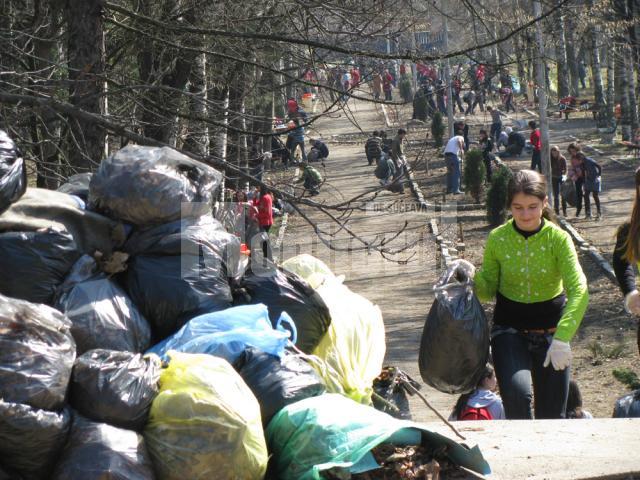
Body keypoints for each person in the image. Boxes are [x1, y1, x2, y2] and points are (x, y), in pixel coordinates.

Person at [452, 170, 589, 419]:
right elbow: (487, 291)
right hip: (510, 330)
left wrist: (563, 336)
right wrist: (471, 274)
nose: (525, 215)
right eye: (518, 207)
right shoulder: (498, 238)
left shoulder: (559, 239)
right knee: (517, 394)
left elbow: (579, 289)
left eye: (532, 207)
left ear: (545, 203)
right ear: (509, 207)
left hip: (551, 334)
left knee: (552, 414)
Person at [579, 152, 602, 220]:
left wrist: (599, 175)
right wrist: (583, 183)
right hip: (588, 180)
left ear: (583, 157)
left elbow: (599, 166)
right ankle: (588, 214)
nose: (579, 160)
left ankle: (599, 213)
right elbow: (583, 173)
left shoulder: (589, 160)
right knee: (586, 195)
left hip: (595, 179)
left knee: (595, 195)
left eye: (580, 158)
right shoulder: (581, 164)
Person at [444, 130, 465, 195]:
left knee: (450, 172)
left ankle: (449, 189)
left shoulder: (452, 139)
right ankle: (456, 190)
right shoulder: (460, 137)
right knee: (456, 172)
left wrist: (458, 158)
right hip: (452, 156)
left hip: (446, 156)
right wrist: (461, 149)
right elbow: (459, 140)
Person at [567, 143, 585, 218]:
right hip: (577, 178)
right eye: (571, 151)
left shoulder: (582, 156)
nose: (573, 153)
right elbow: (572, 167)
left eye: (574, 151)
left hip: (585, 176)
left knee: (586, 193)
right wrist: (572, 174)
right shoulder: (572, 157)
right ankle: (579, 209)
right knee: (578, 193)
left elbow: (585, 166)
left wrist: (579, 171)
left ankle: (588, 211)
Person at [550, 146, 568, 216]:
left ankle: (564, 211)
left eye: (555, 153)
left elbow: (566, 169)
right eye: (553, 153)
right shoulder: (550, 159)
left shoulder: (562, 159)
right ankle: (557, 211)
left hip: (561, 177)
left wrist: (564, 176)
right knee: (556, 195)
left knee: (563, 195)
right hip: (554, 178)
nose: (554, 154)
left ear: (558, 152)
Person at [256, 185, 273, 258]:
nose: (257, 188)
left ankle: (268, 258)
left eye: (258, 187)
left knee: (264, 242)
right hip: (265, 221)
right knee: (263, 241)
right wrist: (254, 196)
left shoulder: (265, 198)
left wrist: (257, 216)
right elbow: (256, 204)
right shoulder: (266, 197)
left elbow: (267, 212)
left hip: (264, 222)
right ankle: (267, 257)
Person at [390, 128, 408, 193]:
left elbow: (401, 151)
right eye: (404, 134)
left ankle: (393, 188)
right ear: (401, 134)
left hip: (400, 158)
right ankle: (401, 189)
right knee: (400, 174)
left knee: (397, 174)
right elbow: (394, 151)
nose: (404, 136)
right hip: (397, 159)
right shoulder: (396, 140)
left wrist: (403, 157)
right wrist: (397, 159)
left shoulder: (400, 139)